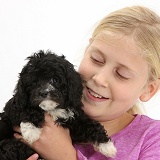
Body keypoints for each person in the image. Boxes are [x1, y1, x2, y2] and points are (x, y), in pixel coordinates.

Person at [14, 5, 160, 160]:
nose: (100, 79)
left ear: (148, 89)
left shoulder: (152, 138)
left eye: (121, 74)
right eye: (96, 59)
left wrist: (66, 157)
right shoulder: (36, 114)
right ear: (87, 50)